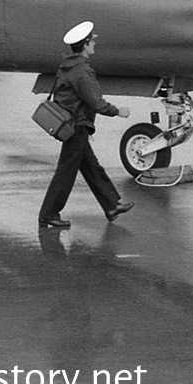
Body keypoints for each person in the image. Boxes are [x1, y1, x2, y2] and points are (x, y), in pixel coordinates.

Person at [39, 21, 134, 229]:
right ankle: (48, 214)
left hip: (73, 124)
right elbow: (95, 102)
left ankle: (112, 205)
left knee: (92, 167)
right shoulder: (81, 71)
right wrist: (118, 111)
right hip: (77, 126)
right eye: (92, 42)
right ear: (85, 45)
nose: (94, 45)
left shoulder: (68, 66)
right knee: (66, 172)